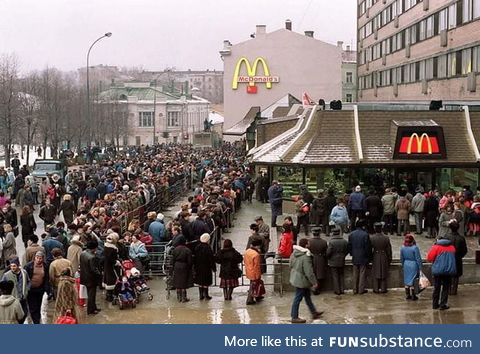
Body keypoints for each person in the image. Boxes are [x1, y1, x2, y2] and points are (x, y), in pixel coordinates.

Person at [289, 238, 324, 323]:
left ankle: (314, 312)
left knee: (307, 297)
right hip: (302, 280)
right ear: (306, 245)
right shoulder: (306, 257)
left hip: (296, 277)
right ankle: (294, 316)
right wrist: (314, 282)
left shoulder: (294, 253)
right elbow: (309, 272)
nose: (310, 244)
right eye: (308, 243)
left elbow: (290, 264)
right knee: (298, 298)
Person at [426, 235, 456, 310]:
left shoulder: (436, 247)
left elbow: (429, 258)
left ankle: (435, 304)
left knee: (437, 287)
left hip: (437, 271)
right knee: (445, 288)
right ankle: (443, 304)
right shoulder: (452, 247)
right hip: (448, 271)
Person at [1, 257, 29, 323]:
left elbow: (28, 281)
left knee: (24, 314)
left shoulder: (24, 273)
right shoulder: (6, 275)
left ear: (18, 265)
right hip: (13, 300)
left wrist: (26, 290)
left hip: (22, 299)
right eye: (11, 266)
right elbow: (2, 285)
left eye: (14, 266)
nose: (12, 268)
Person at [24, 251, 50, 324]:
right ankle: (36, 322)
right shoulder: (28, 266)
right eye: (37, 258)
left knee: (39, 306)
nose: (39, 260)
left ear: (43, 259)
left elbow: (47, 278)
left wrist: (47, 289)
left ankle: (36, 319)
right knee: (33, 307)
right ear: (35, 258)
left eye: (40, 258)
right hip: (31, 290)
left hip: (40, 289)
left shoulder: (45, 266)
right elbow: (25, 278)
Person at [348, 219, 371, 295]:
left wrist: (352, 253)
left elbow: (349, 246)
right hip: (363, 256)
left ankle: (355, 289)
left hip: (355, 256)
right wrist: (368, 256)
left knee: (355, 273)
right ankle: (361, 289)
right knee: (362, 273)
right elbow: (367, 247)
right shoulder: (365, 234)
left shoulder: (351, 234)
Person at [445, 221, 468, 295]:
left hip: (448, 258)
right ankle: (454, 290)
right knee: (456, 276)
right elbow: (464, 250)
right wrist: (459, 256)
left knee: (448, 275)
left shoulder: (447, 237)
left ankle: (448, 289)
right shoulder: (461, 238)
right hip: (457, 258)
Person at [80, 240, 102, 315]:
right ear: (94, 248)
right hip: (91, 279)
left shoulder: (82, 254)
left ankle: (94, 307)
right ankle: (91, 310)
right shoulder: (92, 257)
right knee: (91, 295)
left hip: (84, 277)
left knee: (91, 294)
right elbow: (94, 270)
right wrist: (100, 274)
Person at [370, 222, 392, 293]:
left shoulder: (372, 238)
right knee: (383, 273)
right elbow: (389, 250)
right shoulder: (386, 237)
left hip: (375, 256)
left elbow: (369, 249)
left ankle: (375, 289)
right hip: (383, 255)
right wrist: (389, 258)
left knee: (375, 273)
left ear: (375, 228)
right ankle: (383, 289)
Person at [170, 236, 193, 303]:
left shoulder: (175, 249)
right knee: (183, 282)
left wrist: (173, 267)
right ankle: (184, 298)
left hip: (177, 266)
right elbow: (190, 261)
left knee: (177, 282)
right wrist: (189, 268)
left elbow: (173, 260)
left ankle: (178, 297)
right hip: (184, 266)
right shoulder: (187, 250)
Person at [400, 234, 422, 301]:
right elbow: (418, 259)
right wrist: (420, 267)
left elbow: (401, 258)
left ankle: (407, 295)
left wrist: (403, 264)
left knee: (407, 280)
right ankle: (413, 295)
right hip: (414, 265)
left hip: (406, 264)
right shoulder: (415, 248)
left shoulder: (402, 248)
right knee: (413, 280)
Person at [193, 233, 216, 300]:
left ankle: (201, 295)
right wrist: (213, 268)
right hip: (206, 267)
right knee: (206, 282)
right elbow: (211, 259)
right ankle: (206, 295)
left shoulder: (197, 247)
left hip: (198, 267)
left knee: (200, 282)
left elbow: (194, 258)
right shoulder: (208, 248)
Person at [326, 228, 348, 295]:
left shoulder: (331, 242)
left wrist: (328, 257)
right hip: (341, 260)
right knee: (341, 275)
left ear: (333, 233)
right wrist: (343, 256)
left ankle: (337, 290)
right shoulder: (344, 241)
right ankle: (342, 289)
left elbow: (328, 252)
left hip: (333, 261)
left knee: (335, 276)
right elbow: (347, 250)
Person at [244, 238, 264, 305]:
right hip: (254, 272)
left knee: (252, 285)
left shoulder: (247, 251)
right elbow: (257, 266)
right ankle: (250, 300)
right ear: (258, 246)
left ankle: (256, 297)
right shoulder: (256, 254)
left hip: (248, 270)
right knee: (253, 286)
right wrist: (258, 275)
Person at [308, 227, 327, 295]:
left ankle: (313, 287)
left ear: (313, 233)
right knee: (320, 275)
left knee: (313, 274)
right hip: (320, 259)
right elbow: (326, 252)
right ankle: (317, 289)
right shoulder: (324, 242)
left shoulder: (309, 241)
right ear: (319, 233)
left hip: (312, 258)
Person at [103, 233, 120, 302]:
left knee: (108, 280)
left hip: (107, 266)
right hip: (112, 267)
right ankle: (110, 296)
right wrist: (116, 262)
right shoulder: (112, 248)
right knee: (112, 280)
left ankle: (108, 295)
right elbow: (110, 258)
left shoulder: (106, 246)